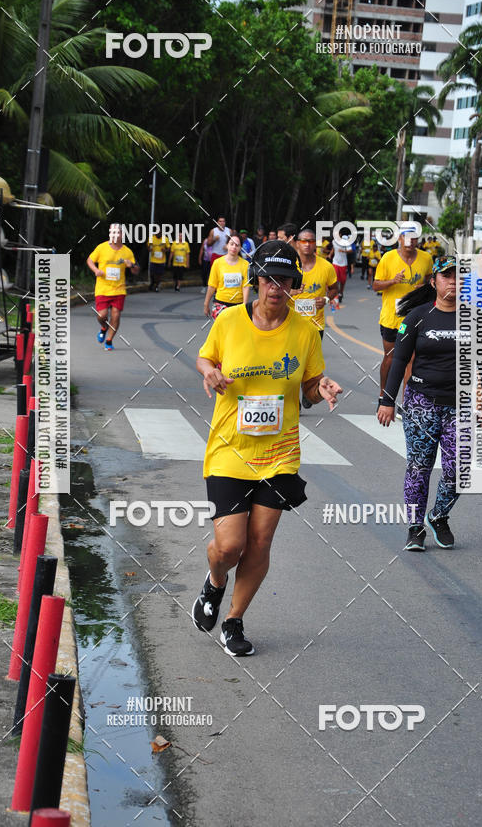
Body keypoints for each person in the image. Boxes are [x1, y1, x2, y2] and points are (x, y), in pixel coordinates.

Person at [192, 241, 342, 655]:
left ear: (294, 285)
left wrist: (321, 387)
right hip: (229, 447)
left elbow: (310, 385)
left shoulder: (305, 331)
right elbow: (205, 359)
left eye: (286, 280)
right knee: (228, 546)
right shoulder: (228, 322)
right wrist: (210, 372)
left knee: (260, 541)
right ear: (257, 280)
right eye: (269, 278)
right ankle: (214, 582)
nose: (277, 287)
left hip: (279, 453)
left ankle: (234, 621)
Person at [377, 256, 482, 551]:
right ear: (434, 282)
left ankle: (438, 515)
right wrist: (387, 400)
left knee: (460, 469)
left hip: (461, 404)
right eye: (446, 276)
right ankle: (415, 528)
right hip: (421, 402)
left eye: (458, 277)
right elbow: (398, 361)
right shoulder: (416, 318)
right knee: (419, 467)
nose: (453, 281)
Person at [373, 226, 433, 407]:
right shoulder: (388, 258)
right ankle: (384, 395)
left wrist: (424, 287)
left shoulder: (426, 258)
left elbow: (432, 282)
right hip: (392, 317)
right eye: (407, 237)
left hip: (416, 318)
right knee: (391, 358)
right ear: (400, 238)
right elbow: (375, 285)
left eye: (414, 238)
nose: (410, 241)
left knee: (412, 360)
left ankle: (406, 403)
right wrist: (392, 281)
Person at [291, 226, 339, 407]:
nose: (307, 244)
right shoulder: (290, 266)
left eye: (311, 241)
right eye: (303, 240)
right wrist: (292, 291)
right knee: (293, 362)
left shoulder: (326, 266)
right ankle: (293, 397)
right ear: (297, 243)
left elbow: (335, 289)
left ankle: (307, 391)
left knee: (309, 363)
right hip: (291, 324)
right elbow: (276, 290)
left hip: (315, 325)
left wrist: (326, 299)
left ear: (315, 244)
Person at [87, 224, 139, 351]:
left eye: (118, 233)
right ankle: (104, 327)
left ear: (122, 235)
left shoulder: (127, 251)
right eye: (113, 233)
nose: (116, 235)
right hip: (103, 288)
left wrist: (131, 265)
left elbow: (136, 271)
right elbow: (90, 260)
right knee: (102, 315)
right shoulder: (102, 247)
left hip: (119, 289)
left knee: (116, 316)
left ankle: (109, 340)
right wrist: (95, 270)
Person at [204, 234, 250, 318]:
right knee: (222, 330)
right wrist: (206, 304)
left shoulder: (245, 264)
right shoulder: (217, 263)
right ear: (227, 245)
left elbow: (246, 286)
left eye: (237, 245)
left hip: (237, 305)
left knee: (235, 331)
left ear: (240, 248)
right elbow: (212, 286)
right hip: (220, 304)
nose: (234, 247)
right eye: (231, 244)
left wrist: (245, 305)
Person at [147, 227, 169, 292]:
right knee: (152, 273)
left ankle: (156, 287)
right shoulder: (152, 238)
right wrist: (149, 249)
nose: (159, 234)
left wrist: (165, 250)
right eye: (157, 233)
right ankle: (153, 282)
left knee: (159, 274)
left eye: (160, 233)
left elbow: (169, 248)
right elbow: (148, 245)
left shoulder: (165, 239)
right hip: (153, 259)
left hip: (161, 260)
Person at [330, 235, 349, 302]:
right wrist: (330, 254)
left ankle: (341, 292)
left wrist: (344, 251)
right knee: (335, 279)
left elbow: (351, 251)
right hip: (335, 263)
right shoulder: (334, 241)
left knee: (343, 281)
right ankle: (336, 293)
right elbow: (333, 248)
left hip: (343, 264)